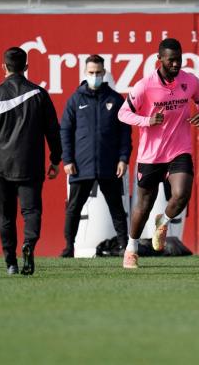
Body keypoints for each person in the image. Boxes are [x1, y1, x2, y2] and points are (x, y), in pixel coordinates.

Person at [117, 38, 199, 269]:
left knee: (182, 194)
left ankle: (164, 222)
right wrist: (147, 120)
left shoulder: (189, 81)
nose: (177, 64)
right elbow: (123, 113)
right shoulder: (145, 86)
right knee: (143, 206)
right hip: (151, 156)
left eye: (179, 59)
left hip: (179, 150)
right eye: (172, 60)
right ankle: (131, 249)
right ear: (160, 60)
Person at [0, 47, 62, 275]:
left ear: (3, 67)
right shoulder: (39, 94)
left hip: (2, 166)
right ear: (26, 67)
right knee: (31, 212)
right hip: (31, 164)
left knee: (6, 214)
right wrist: (55, 159)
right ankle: (29, 245)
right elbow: (53, 131)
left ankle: (11, 262)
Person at [60, 54, 132, 257]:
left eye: (98, 73)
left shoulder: (116, 99)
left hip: (109, 164)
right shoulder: (75, 100)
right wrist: (68, 160)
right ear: (85, 73)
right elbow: (65, 130)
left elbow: (125, 133)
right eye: (91, 73)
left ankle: (124, 247)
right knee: (73, 209)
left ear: (104, 73)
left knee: (117, 209)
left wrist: (123, 158)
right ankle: (68, 248)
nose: (95, 76)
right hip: (80, 166)